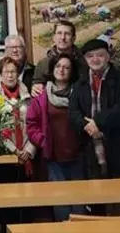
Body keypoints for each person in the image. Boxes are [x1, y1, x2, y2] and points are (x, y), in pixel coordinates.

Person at [26, 53, 85, 221]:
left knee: (80, 203)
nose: (62, 70)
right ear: (52, 69)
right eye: (58, 66)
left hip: (78, 156)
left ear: (72, 71)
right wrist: (43, 140)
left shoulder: (80, 93)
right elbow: (31, 124)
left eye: (66, 67)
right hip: (54, 157)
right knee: (61, 202)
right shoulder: (42, 96)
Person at [70, 39, 120, 182]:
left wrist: (97, 123)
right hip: (90, 148)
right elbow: (73, 112)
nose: (95, 59)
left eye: (100, 55)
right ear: (85, 59)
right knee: (95, 192)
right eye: (90, 56)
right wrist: (87, 126)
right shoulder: (79, 84)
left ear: (108, 56)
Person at [0, 56, 35, 227]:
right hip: (6, 155)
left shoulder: (28, 96)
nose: (10, 75)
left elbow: (35, 125)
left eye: (13, 72)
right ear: (0, 75)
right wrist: (13, 151)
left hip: (26, 154)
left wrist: (29, 150)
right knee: (7, 204)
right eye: (6, 72)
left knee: (26, 202)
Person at [32, 20, 86, 97]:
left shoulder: (84, 62)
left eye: (67, 34)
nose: (63, 37)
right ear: (54, 37)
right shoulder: (43, 64)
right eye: (59, 33)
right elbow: (37, 88)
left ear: (73, 38)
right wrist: (35, 88)